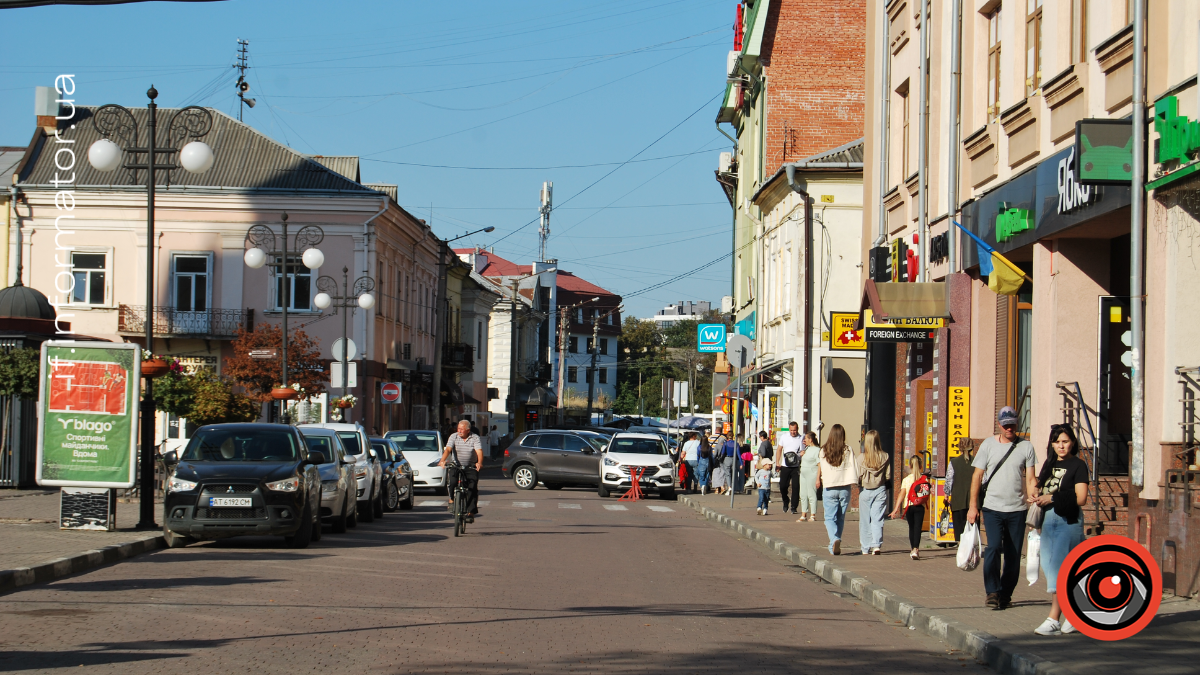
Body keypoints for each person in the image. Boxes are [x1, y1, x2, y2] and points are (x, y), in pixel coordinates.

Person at [967, 406, 1038, 610]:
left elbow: (1031, 478)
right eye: (1005, 425)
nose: (1009, 428)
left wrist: (1034, 496)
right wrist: (973, 507)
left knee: (1014, 554)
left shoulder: (1026, 447)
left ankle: (1005, 594)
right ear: (999, 425)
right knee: (994, 547)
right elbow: (977, 477)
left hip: (1017, 509)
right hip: (992, 507)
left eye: (1012, 424)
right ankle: (992, 591)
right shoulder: (988, 445)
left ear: (1017, 423)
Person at [1033, 425, 1089, 636]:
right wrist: (1037, 495)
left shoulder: (1078, 465)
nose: (1061, 445)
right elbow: (1040, 486)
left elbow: (1081, 498)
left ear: (1072, 442)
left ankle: (1053, 618)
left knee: (1060, 571)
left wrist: (1053, 498)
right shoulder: (1049, 463)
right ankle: (1075, 614)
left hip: (1068, 521)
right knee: (1049, 569)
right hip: (1048, 519)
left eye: (1065, 441)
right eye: (1057, 442)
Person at [815, 424, 858, 555]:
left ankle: (834, 539)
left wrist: (819, 479)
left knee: (829, 517)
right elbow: (853, 466)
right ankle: (835, 541)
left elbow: (822, 466)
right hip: (844, 486)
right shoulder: (848, 449)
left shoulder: (823, 450)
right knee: (840, 517)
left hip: (829, 486)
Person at [438, 420, 484, 523]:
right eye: (458, 429)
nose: (459, 431)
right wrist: (442, 460)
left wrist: (479, 462)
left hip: (470, 466)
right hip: (456, 465)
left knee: (472, 487)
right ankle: (451, 499)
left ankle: (470, 513)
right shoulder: (453, 436)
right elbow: (448, 450)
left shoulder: (475, 437)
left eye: (461, 429)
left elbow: (479, 451)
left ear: (468, 430)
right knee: (452, 482)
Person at [890, 455, 930, 559]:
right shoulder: (924, 479)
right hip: (920, 507)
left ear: (909, 466)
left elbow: (901, 495)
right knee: (918, 528)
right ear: (921, 466)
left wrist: (895, 509)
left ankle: (913, 549)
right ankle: (916, 549)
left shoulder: (906, 480)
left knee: (912, 528)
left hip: (909, 507)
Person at [858, 430, 891, 555]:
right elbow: (888, 475)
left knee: (865, 520)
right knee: (877, 519)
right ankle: (876, 545)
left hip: (866, 490)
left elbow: (859, 475)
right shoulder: (885, 456)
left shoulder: (861, 458)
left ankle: (865, 547)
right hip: (880, 489)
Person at [945, 437, 976, 542]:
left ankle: (961, 549)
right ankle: (972, 551)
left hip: (958, 500)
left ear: (960, 448)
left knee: (959, 529)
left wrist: (946, 494)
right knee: (972, 529)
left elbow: (949, 480)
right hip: (974, 501)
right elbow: (983, 479)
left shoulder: (954, 462)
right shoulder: (977, 462)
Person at [776, 422, 804, 515]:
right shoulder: (784, 437)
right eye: (791, 430)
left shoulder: (801, 438)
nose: (793, 432)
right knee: (783, 486)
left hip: (795, 466)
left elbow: (803, 452)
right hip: (785, 465)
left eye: (795, 430)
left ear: (798, 429)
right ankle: (785, 500)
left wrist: (798, 456)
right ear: (789, 429)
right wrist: (777, 462)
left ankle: (794, 507)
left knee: (796, 487)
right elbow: (779, 449)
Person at [798, 431, 821, 521]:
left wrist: (818, 478)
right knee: (803, 494)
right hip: (803, 472)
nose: (805, 440)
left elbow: (819, 464)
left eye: (806, 439)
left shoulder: (817, 450)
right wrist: (802, 454)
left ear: (810, 440)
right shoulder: (806, 448)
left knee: (811, 494)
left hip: (812, 473)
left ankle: (813, 515)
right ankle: (804, 514)